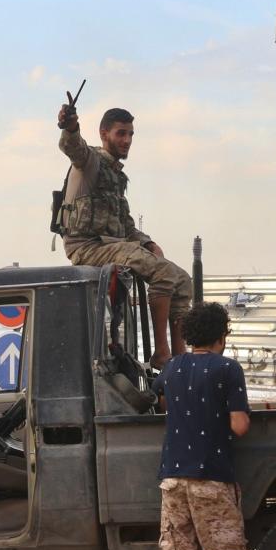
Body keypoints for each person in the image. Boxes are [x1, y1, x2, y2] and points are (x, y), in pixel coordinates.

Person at [153, 302, 251, 550]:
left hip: (173, 480)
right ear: (221, 336)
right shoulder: (227, 369)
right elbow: (239, 426)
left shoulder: (172, 369)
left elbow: (161, 401)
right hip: (211, 478)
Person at [56, 102, 192, 368]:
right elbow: (73, 147)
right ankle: (162, 353)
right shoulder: (90, 162)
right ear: (104, 134)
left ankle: (180, 353)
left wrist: (148, 243)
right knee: (162, 273)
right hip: (87, 247)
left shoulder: (116, 176)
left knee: (182, 279)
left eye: (130, 134)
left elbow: (126, 225)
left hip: (111, 244)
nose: (127, 140)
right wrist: (70, 126)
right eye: (121, 133)